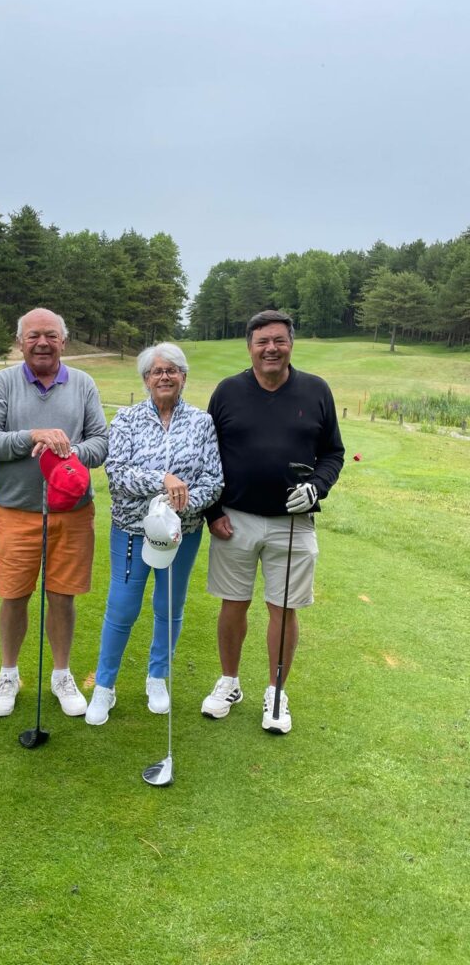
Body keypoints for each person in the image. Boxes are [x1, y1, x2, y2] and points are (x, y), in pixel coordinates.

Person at [202, 309, 344, 734]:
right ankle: (229, 682)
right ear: (249, 346)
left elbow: (333, 453)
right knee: (233, 603)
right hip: (235, 519)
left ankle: (276, 692)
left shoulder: (316, 390)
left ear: (291, 345)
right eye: (262, 341)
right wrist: (212, 512)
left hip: (293, 521)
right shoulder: (228, 391)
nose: (271, 349)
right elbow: (206, 455)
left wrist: (317, 487)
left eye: (279, 340)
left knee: (284, 608)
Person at [0, 308, 108, 718]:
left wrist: (64, 452)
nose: (42, 343)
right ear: (20, 342)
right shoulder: (2, 384)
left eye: (51, 335)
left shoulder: (83, 384)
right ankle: (8, 674)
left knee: (62, 597)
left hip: (73, 513)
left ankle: (62, 674)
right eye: (33, 335)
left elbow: (100, 443)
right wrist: (33, 436)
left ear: (63, 342)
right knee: (14, 596)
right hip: (17, 510)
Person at [85, 343, 223, 725]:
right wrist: (164, 482)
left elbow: (213, 480)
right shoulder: (127, 419)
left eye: (172, 370)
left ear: (183, 377)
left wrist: (181, 505)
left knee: (169, 605)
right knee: (122, 606)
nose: (164, 376)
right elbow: (118, 474)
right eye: (156, 371)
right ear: (146, 379)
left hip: (182, 532)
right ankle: (104, 686)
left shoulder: (201, 423)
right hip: (131, 530)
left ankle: (157, 676)